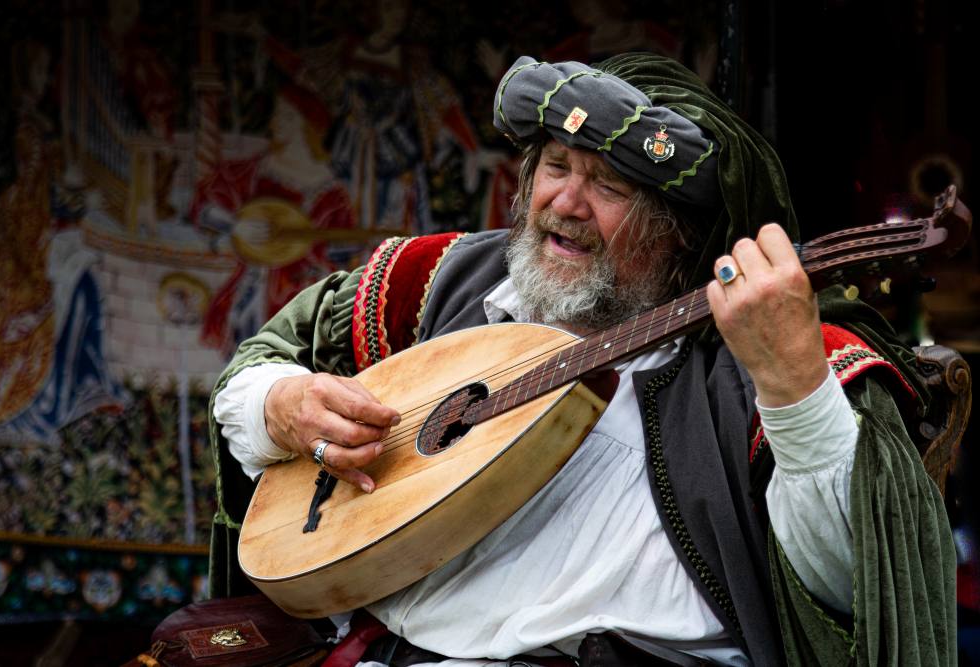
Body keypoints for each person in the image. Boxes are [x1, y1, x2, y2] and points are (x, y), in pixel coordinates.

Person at [209, 53, 956, 665]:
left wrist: (793, 388)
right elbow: (264, 361)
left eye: (610, 185)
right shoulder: (442, 281)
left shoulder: (774, 358)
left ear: (682, 232)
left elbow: (852, 590)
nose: (566, 202)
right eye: (557, 166)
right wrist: (282, 404)